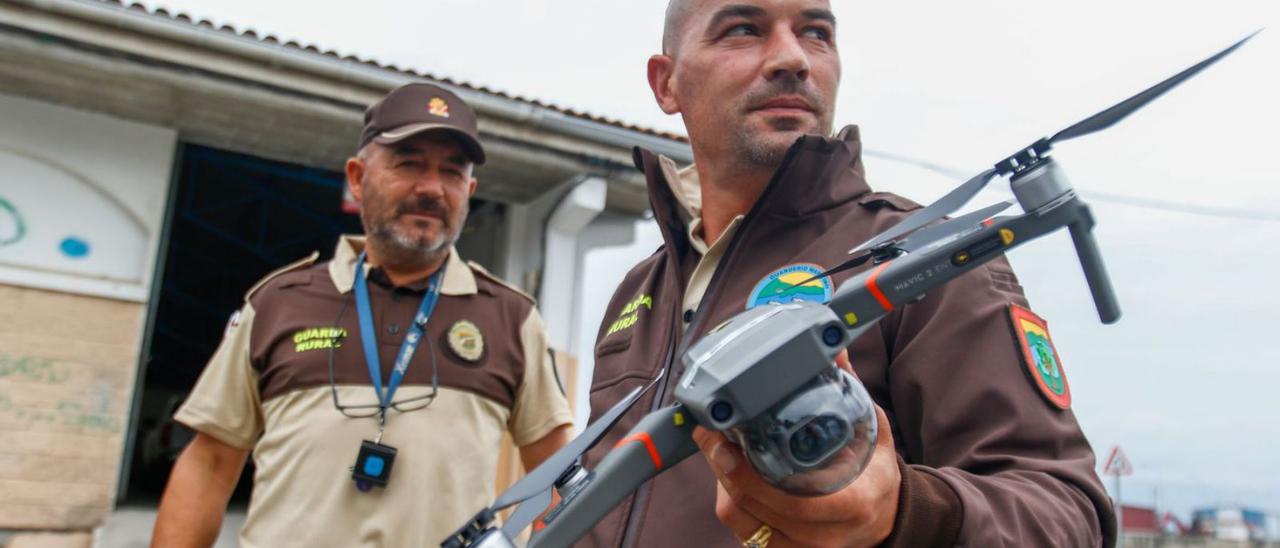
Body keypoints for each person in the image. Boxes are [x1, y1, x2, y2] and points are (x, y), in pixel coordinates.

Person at [580, 1, 1116, 546]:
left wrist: (908, 514)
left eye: (815, 33)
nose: (792, 58)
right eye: (744, 29)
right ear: (666, 82)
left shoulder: (925, 259)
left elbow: (1068, 515)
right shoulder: (639, 291)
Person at [151, 83, 574, 548]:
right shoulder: (277, 303)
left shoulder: (511, 318)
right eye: (408, 164)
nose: (431, 188)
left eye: (452, 173)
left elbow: (556, 478)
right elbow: (209, 462)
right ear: (357, 177)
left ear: (469, 191)